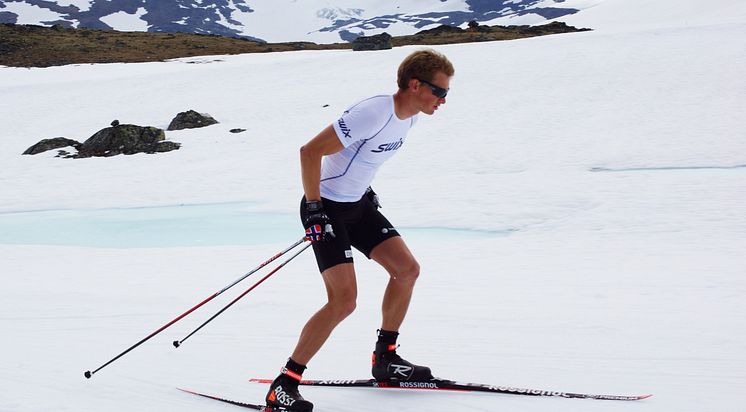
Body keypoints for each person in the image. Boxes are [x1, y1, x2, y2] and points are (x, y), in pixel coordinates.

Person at [265, 49, 455, 412]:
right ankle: (284, 384)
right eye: (439, 92)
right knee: (344, 301)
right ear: (415, 85)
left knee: (406, 270)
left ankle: (386, 358)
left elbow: (362, 158)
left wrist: (364, 188)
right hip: (327, 207)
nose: (443, 100)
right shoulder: (374, 112)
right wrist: (317, 209)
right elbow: (310, 152)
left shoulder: (410, 116)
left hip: (357, 205)